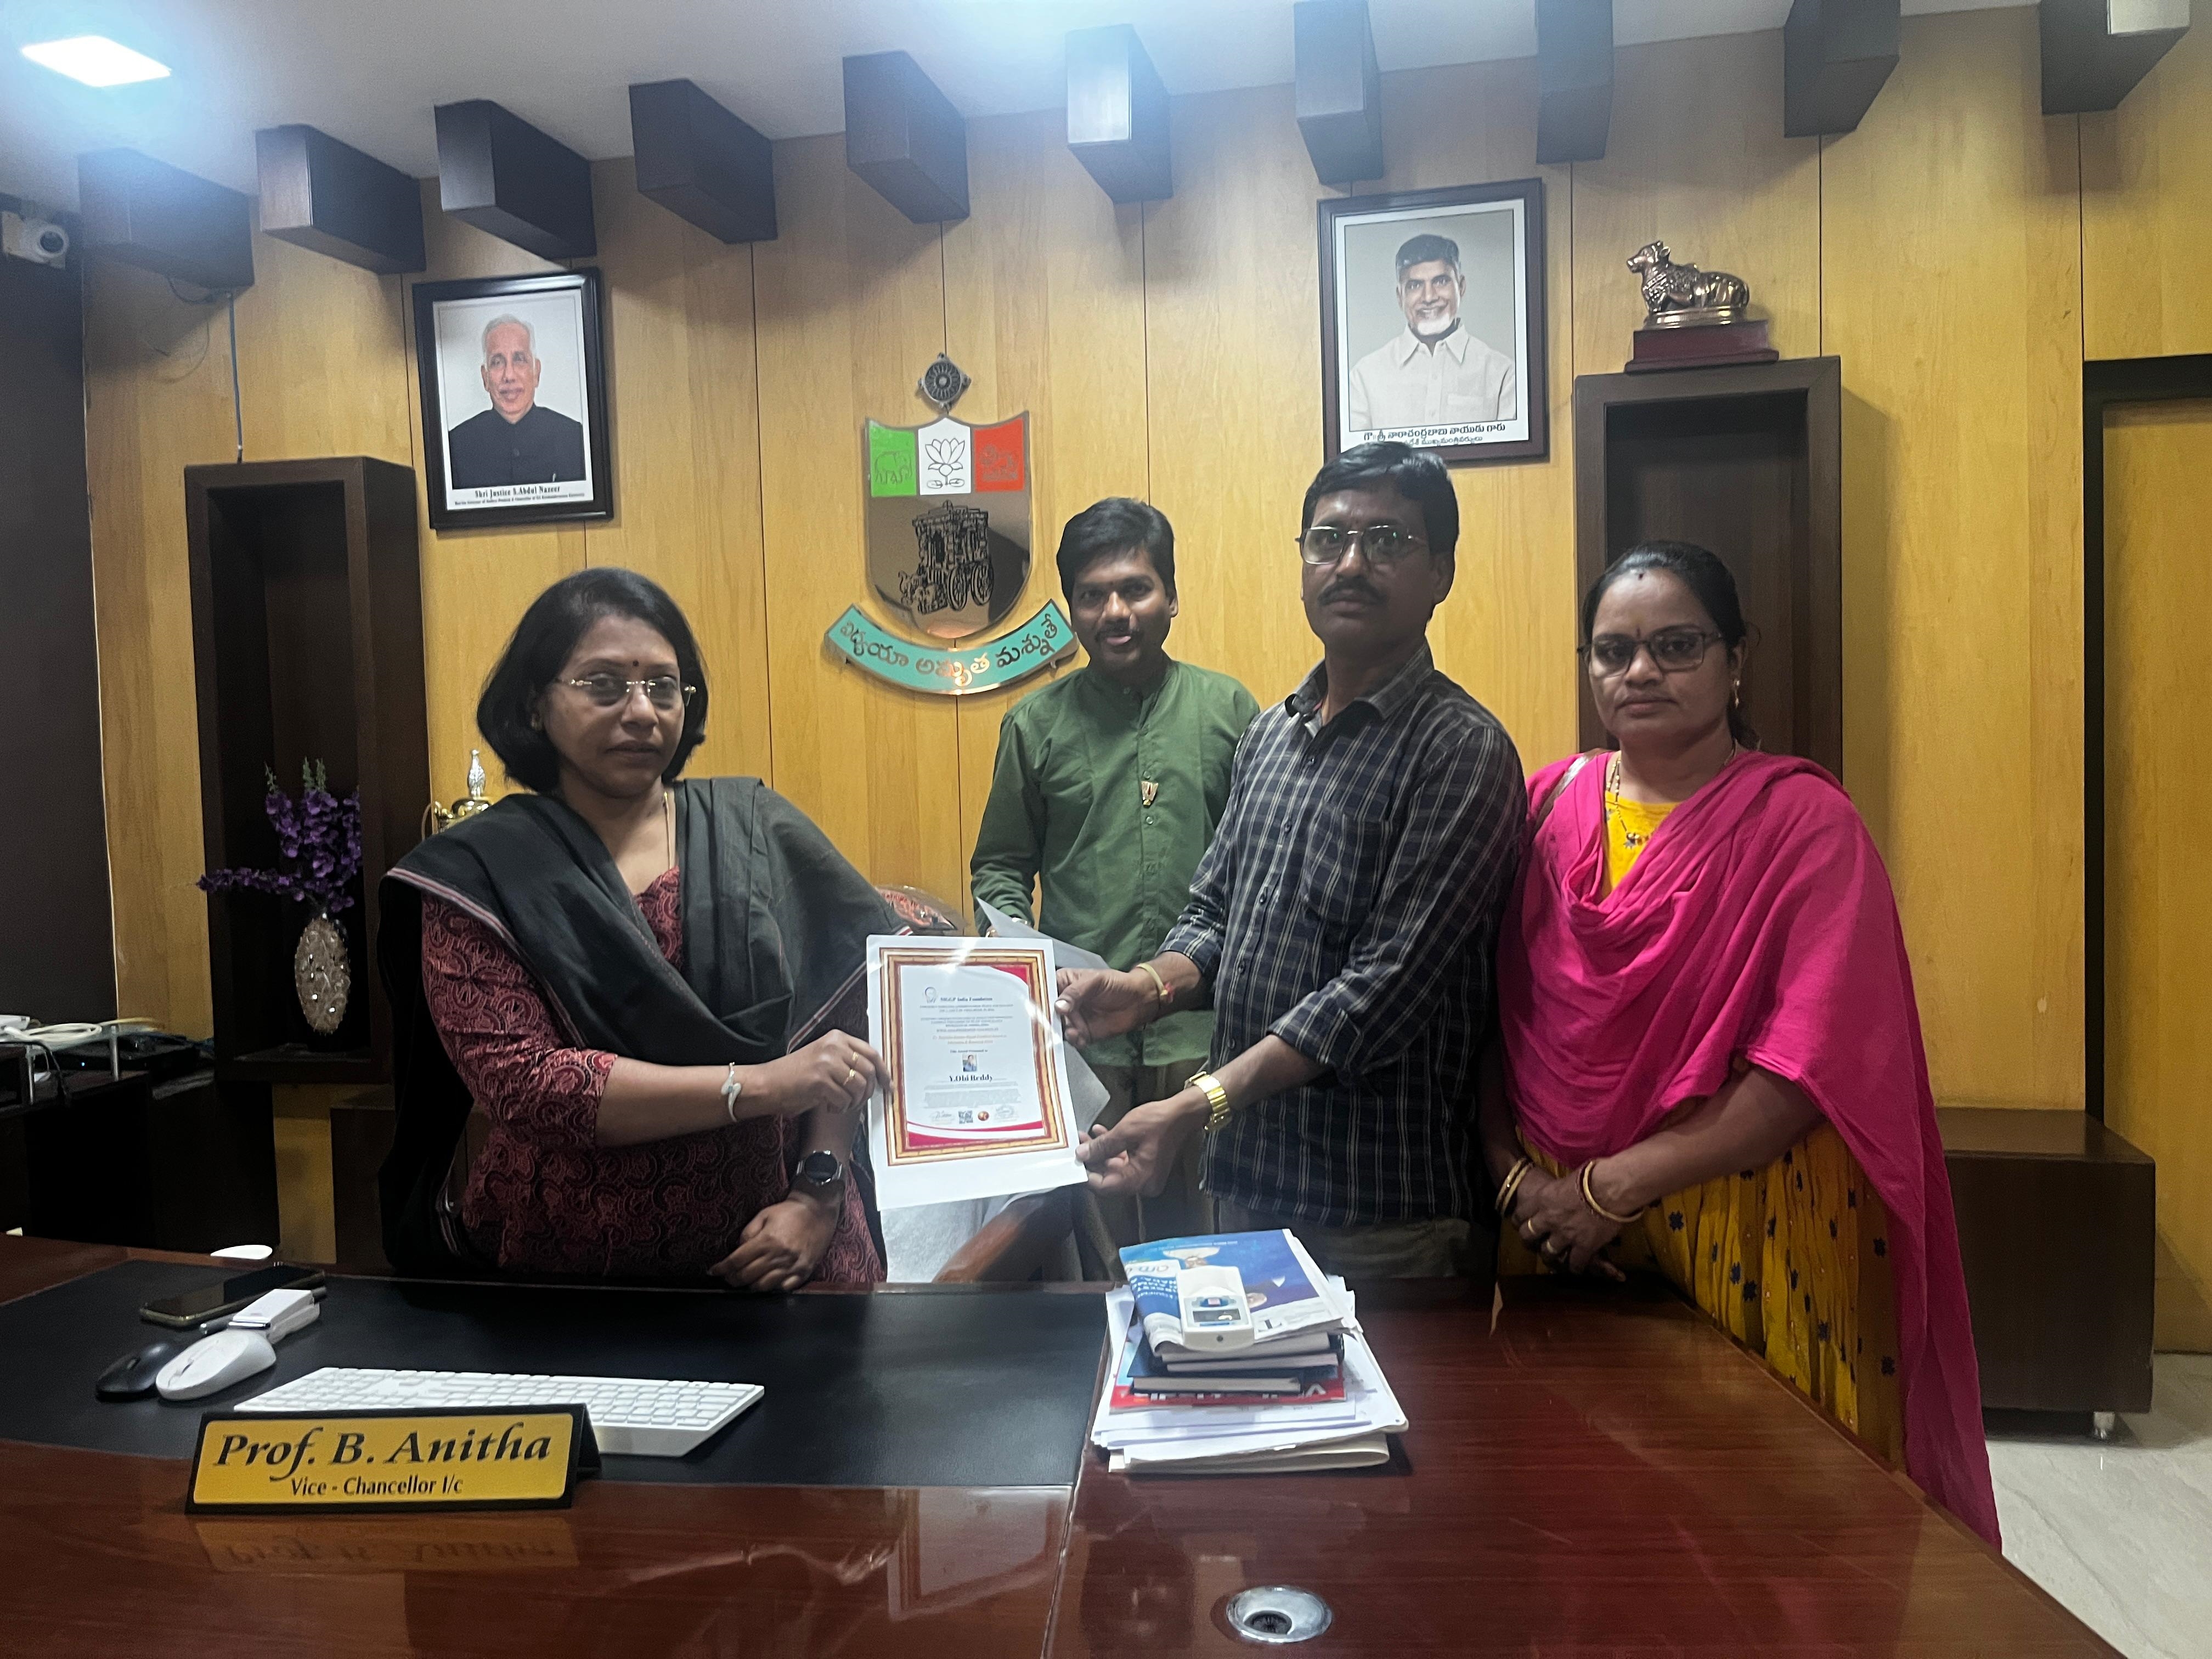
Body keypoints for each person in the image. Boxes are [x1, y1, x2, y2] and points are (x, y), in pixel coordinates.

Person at [1483, 540, 2000, 1545]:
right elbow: (1490, 1017)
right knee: (1574, 1520)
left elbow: (1807, 1066)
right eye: (1613, 651)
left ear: (1735, 659)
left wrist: (1608, 1189)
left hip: (1748, 1222)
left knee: (1752, 1532)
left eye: (1676, 645)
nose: (1640, 672)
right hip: (1551, 1226)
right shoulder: (1543, 805)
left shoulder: (1805, 824)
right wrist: (1519, 1185)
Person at [1056, 442, 1525, 1280]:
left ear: (1441, 573)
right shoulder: (1273, 734)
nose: (1351, 564)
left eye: (1387, 541)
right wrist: (1144, 990)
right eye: (1328, 540)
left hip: (1385, 1218)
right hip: (1248, 1188)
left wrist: (1197, 1103)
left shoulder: (1462, 750)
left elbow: (1379, 993)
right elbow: (1214, 916)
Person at [378, 568, 894, 1289]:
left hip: (785, 1258)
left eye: (663, 686)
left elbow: (849, 1020)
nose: (643, 711)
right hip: (569, 1277)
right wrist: (760, 1085)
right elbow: (526, 1086)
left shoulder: (755, 830)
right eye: (604, 685)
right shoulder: (481, 874)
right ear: (534, 704)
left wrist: (818, 1193)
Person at [969, 498, 1260, 1244]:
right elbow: (1000, 867)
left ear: (1172, 596)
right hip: (1081, 1043)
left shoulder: (1230, 711)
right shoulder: (1034, 725)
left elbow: (1258, 873)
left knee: (1208, 1251)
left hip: (1204, 1037)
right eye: (1092, 595)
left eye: (1135, 589)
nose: (1115, 612)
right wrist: (1019, 957)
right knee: (1096, 1254)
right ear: (1072, 609)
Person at [1345, 233, 1517, 433]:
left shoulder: (1503, 375)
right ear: (1400, 297)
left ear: (1461, 287)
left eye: (1441, 281)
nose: (1429, 297)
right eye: (1415, 285)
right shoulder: (1364, 378)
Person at [445, 313, 588, 489]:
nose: (509, 376)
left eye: (519, 359)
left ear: (536, 373)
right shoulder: (455, 446)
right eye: (497, 362)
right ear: (485, 378)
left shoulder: (575, 439)